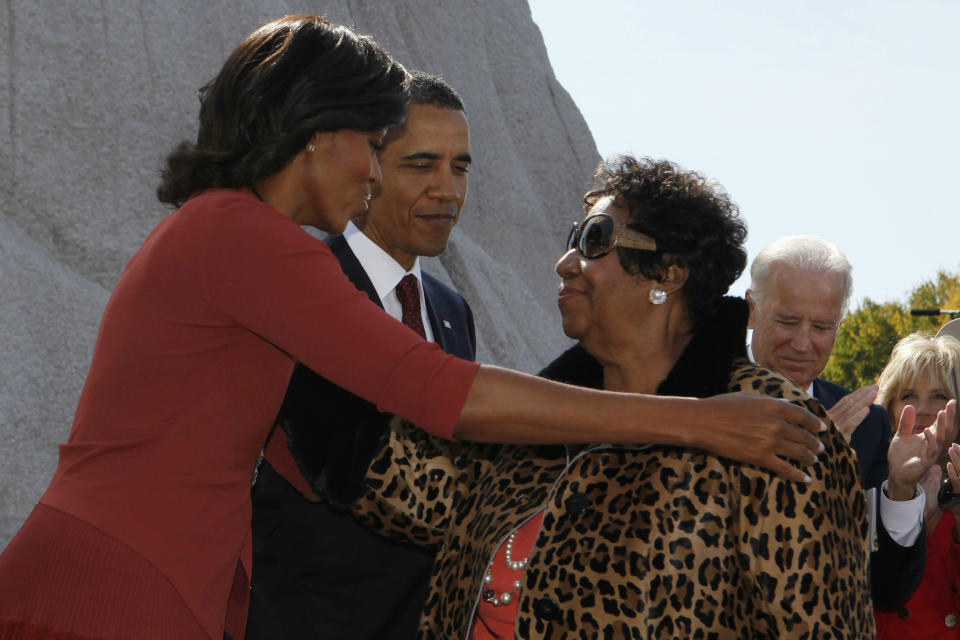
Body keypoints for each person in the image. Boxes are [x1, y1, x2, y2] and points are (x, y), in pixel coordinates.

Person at [0, 16, 828, 640]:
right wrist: (699, 421)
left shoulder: (232, 236)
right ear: (318, 135)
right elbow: (444, 395)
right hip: (118, 581)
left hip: (151, 572)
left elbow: (363, 462)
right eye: (374, 142)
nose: (372, 171)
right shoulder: (246, 239)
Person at [350, 156, 878, 638]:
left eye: (595, 240)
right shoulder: (527, 429)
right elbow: (386, 487)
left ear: (668, 274)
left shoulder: (773, 428)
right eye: (572, 237)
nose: (565, 262)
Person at [246, 71, 476, 639]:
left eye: (461, 166)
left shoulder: (452, 310)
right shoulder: (301, 284)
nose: (447, 189)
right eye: (422, 165)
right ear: (369, 167)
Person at [746, 235, 929, 609]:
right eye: (788, 321)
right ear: (752, 309)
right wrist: (813, 453)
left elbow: (887, 590)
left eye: (821, 327)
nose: (802, 343)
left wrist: (900, 491)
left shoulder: (866, 424)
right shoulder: (696, 393)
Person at [873, 333, 960, 639]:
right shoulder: (866, 487)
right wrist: (899, 489)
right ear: (890, 408)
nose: (922, 410)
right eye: (908, 395)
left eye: (938, 395)